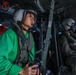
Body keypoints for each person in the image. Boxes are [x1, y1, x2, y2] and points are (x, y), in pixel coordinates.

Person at [0, 4, 41, 75]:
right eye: (30, 16)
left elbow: (31, 59)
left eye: (34, 17)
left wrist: (32, 70)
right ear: (20, 16)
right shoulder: (9, 35)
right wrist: (20, 71)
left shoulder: (30, 37)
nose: (33, 19)